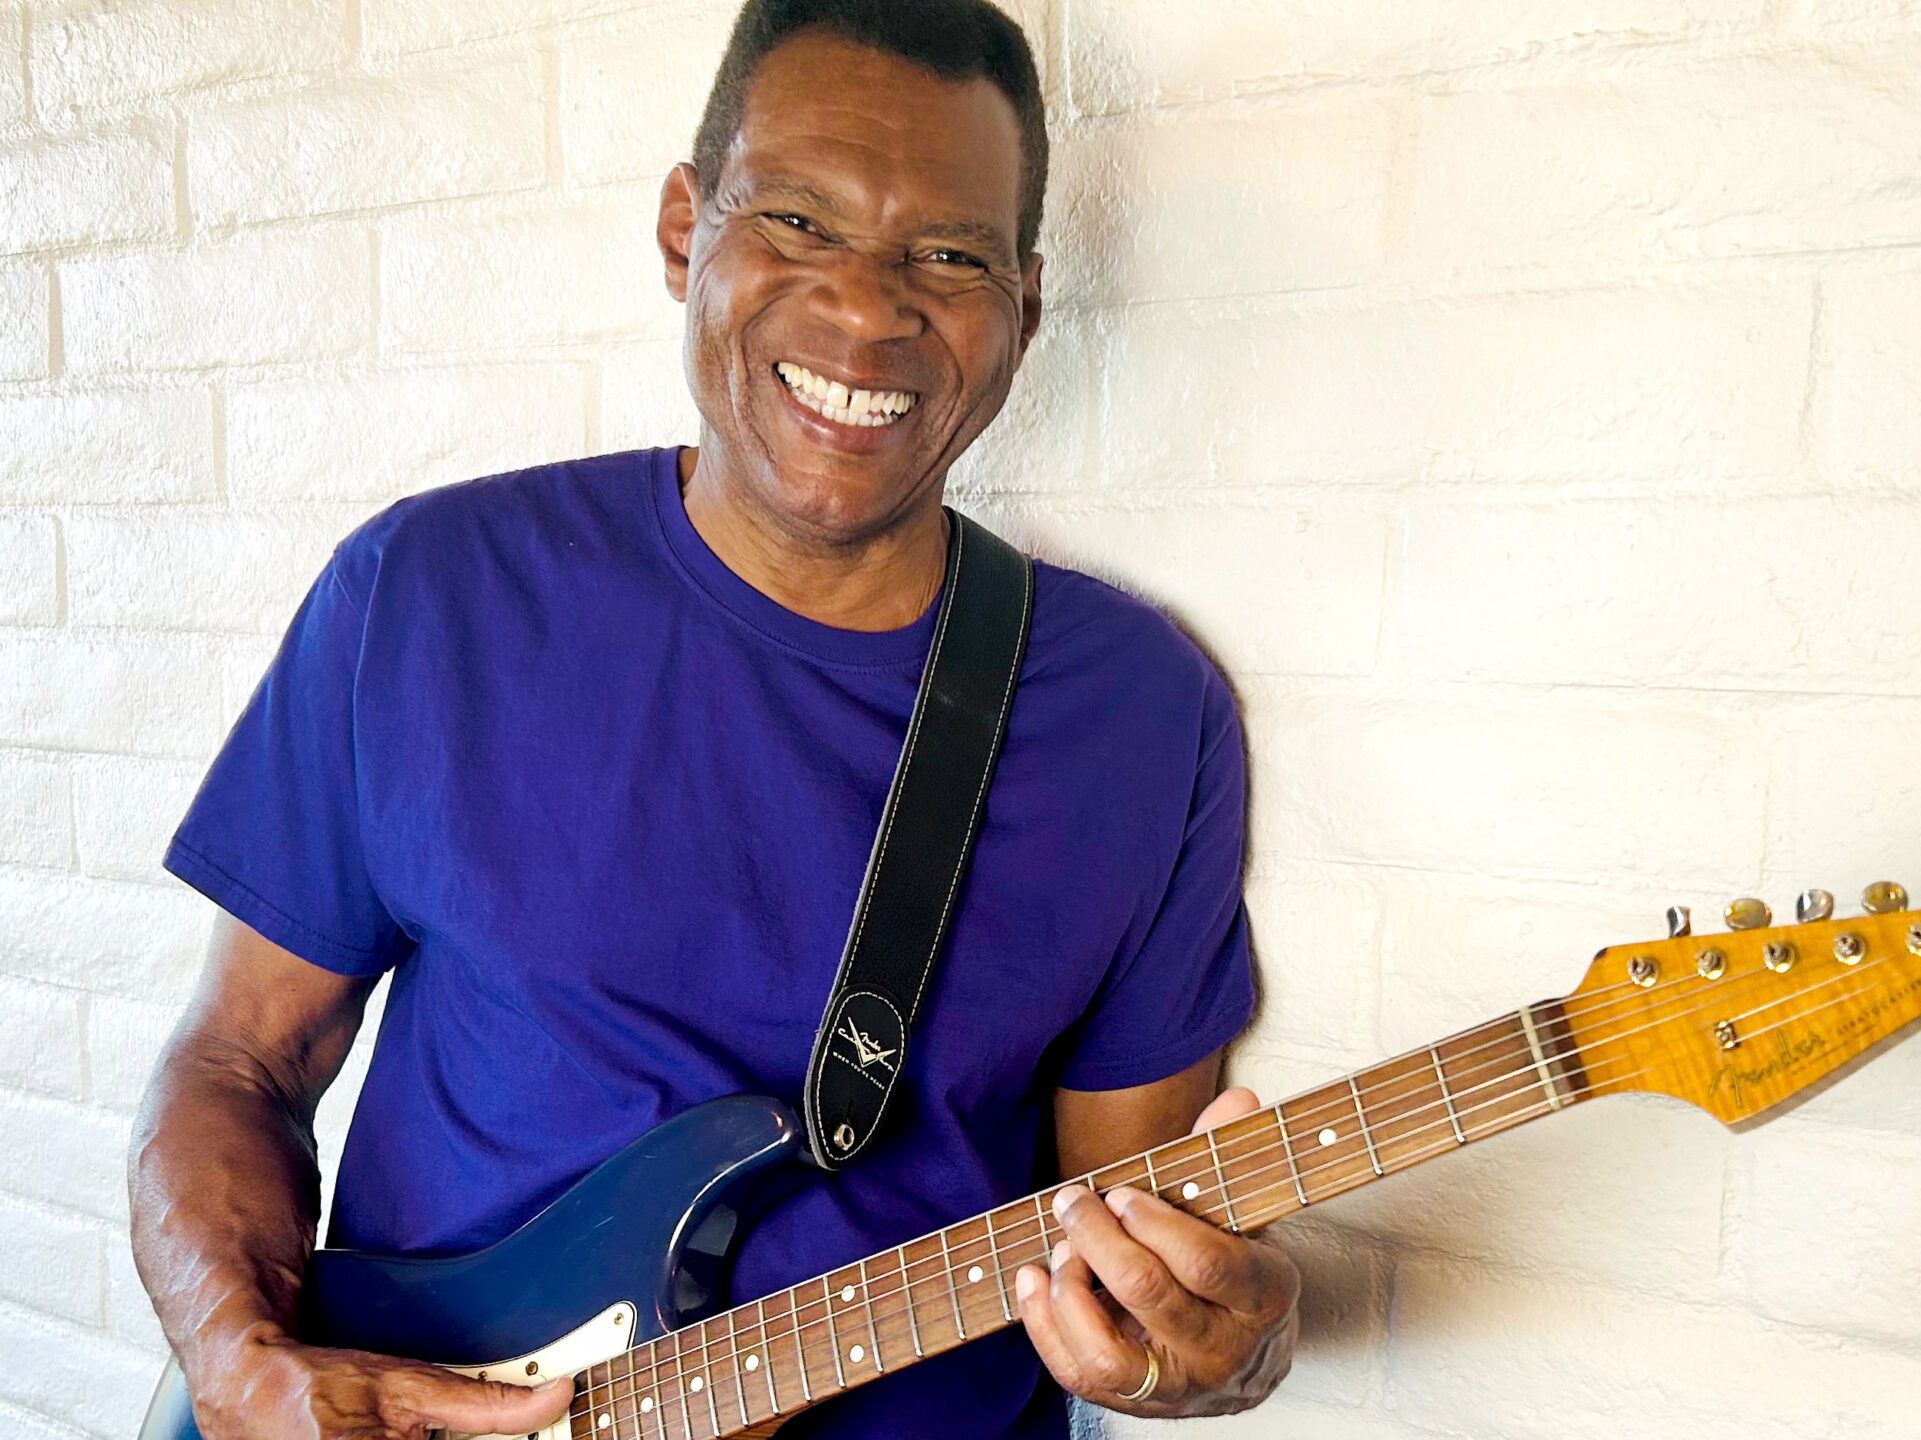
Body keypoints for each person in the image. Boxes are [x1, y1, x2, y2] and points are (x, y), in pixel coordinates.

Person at [122, 2, 1301, 1436]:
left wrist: (1210, 1353)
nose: (870, 310)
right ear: (688, 229)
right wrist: (239, 1362)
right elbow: (240, 1060)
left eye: (948, 253)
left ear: (1026, 307)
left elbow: (1137, 1244)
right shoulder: (432, 594)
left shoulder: (1140, 714)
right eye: (799, 221)